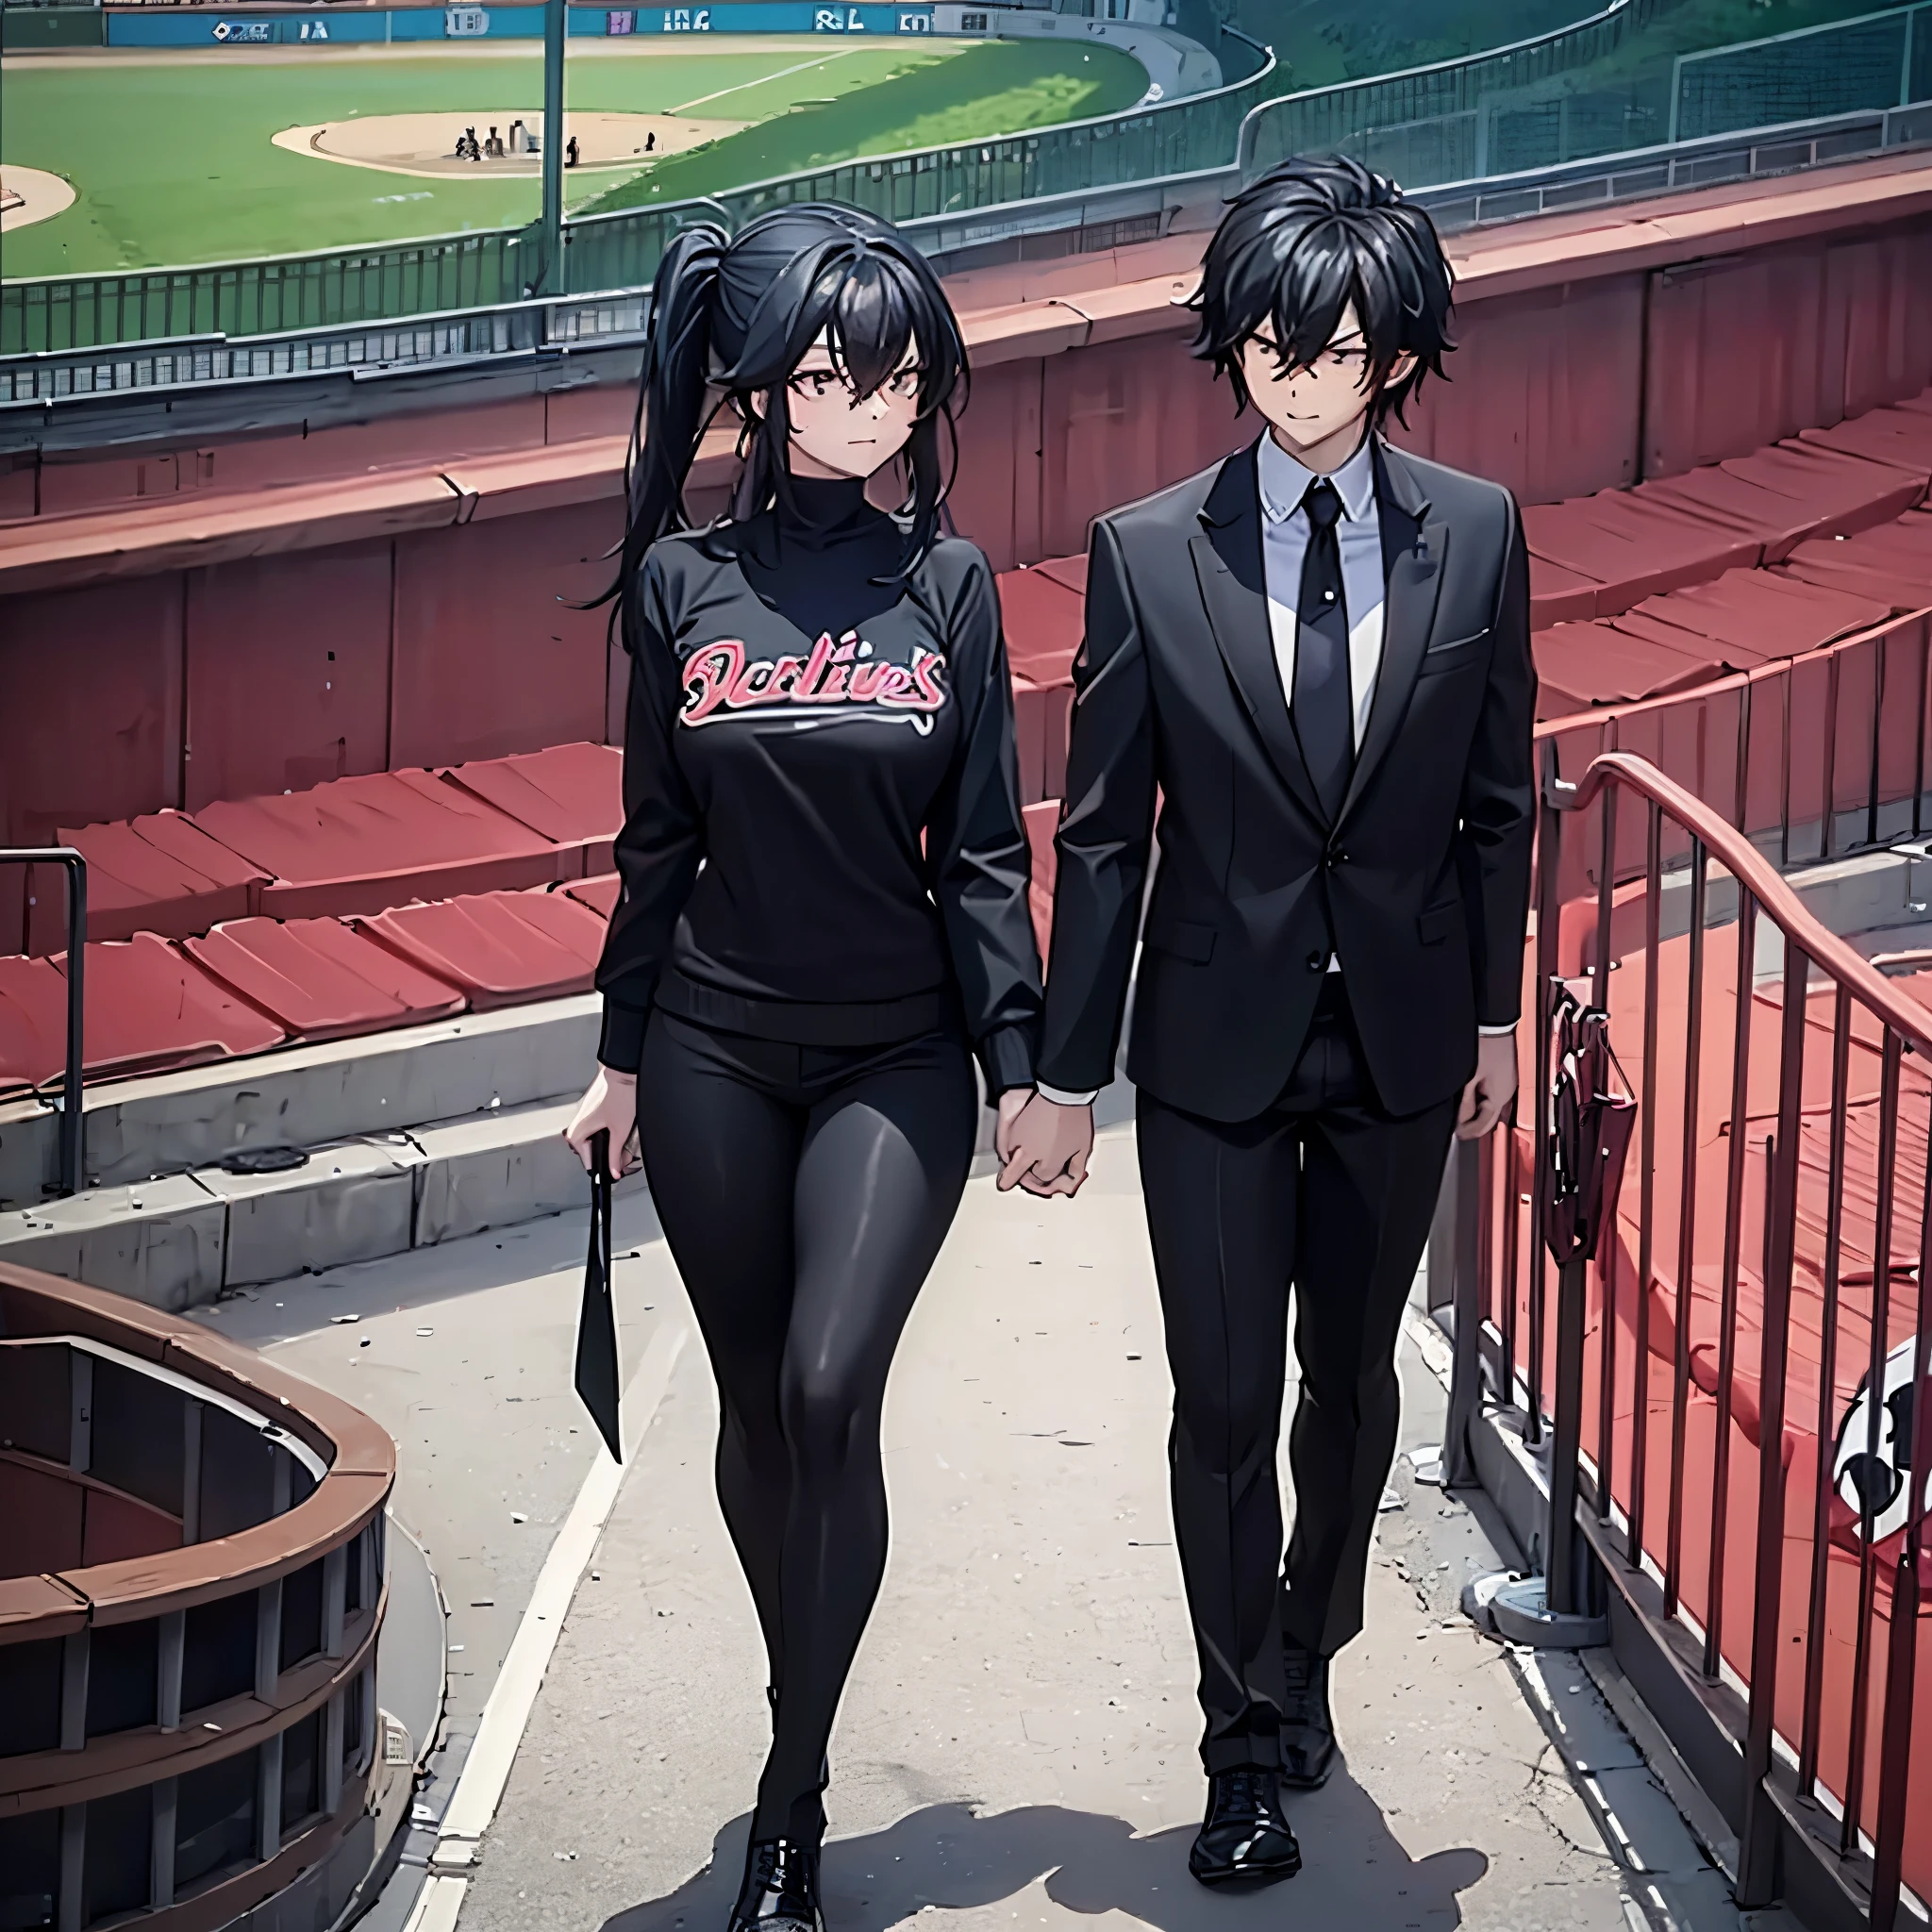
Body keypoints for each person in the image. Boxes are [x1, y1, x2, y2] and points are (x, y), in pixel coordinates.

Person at [1000, 157, 1535, 1887]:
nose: (1299, 378)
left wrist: (1499, 1022)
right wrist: (1066, 1072)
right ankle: (1237, 1739)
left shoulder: (1481, 529)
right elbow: (1098, 828)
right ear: (1229, 348)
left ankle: (1311, 1645)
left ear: (1395, 357)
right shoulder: (1147, 552)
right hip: (1217, 1051)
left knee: (1351, 1384)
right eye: (1268, 346)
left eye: (1338, 348)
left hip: (1398, 1043)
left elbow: (1495, 807)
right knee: (1221, 1403)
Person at [563, 206, 1042, 1932]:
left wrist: (1022, 1067)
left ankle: (793, 1777)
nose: (879, 405)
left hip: (893, 1057)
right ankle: (802, 1734)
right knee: (760, 1407)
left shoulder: (952, 585)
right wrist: (617, 1064)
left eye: (905, 376)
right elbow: (654, 846)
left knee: (835, 1392)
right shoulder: (681, 585)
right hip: (707, 1053)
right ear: (765, 385)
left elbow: (983, 851)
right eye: (845, 374)